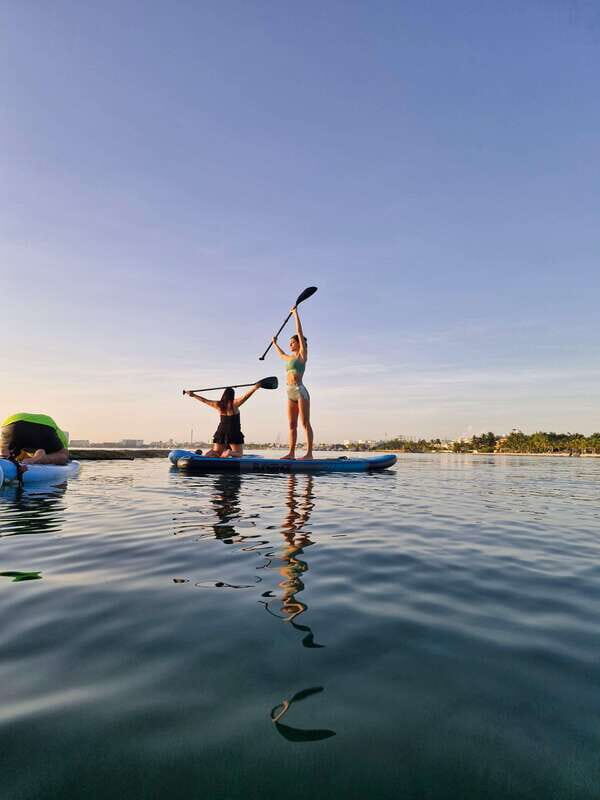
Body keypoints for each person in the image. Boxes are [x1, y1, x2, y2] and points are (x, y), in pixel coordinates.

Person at [272, 306, 314, 460]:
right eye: (289, 343)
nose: (290, 345)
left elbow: (300, 332)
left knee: (305, 422)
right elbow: (281, 354)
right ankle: (291, 453)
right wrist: (275, 343)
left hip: (300, 391)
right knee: (291, 425)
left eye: (292, 343)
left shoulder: (302, 355)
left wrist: (295, 314)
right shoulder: (289, 358)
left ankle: (309, 454)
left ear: (298, 343)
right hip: (289, 392)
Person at [183, 384, 261, 458]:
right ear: (232, 395)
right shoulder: (234, 403)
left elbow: (204, 400)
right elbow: (246, 396)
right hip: (234, 432)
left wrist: (193, 395)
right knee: (239, 454)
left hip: (221, 431)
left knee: (216, 452)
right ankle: (229, 452)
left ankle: (209, 454)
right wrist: (255, 388)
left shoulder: (218, 405)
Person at [1, 412, 69, 466]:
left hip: (10, 423)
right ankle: (42, 459)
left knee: (6, 453)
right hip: (44, 426)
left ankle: (4, 461)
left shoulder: (26, 446)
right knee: (63, 455)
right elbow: (63, 456)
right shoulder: (61, 438)